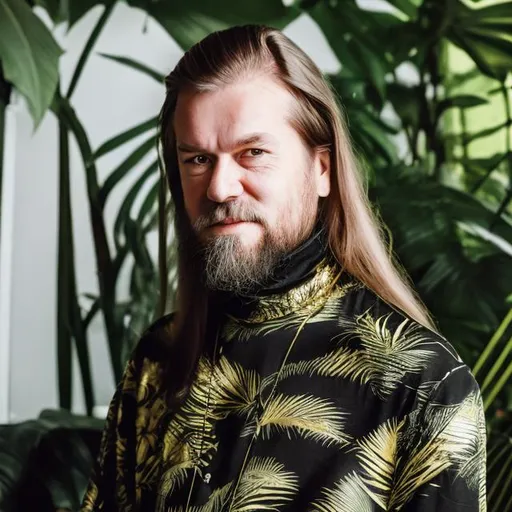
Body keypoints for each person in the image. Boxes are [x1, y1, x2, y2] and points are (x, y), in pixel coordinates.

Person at [81, 24, 487, 512]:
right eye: (197, 159)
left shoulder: (424, 386)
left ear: (322, 169)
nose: (219, 188)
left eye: (252, 153)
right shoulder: (158, 360)